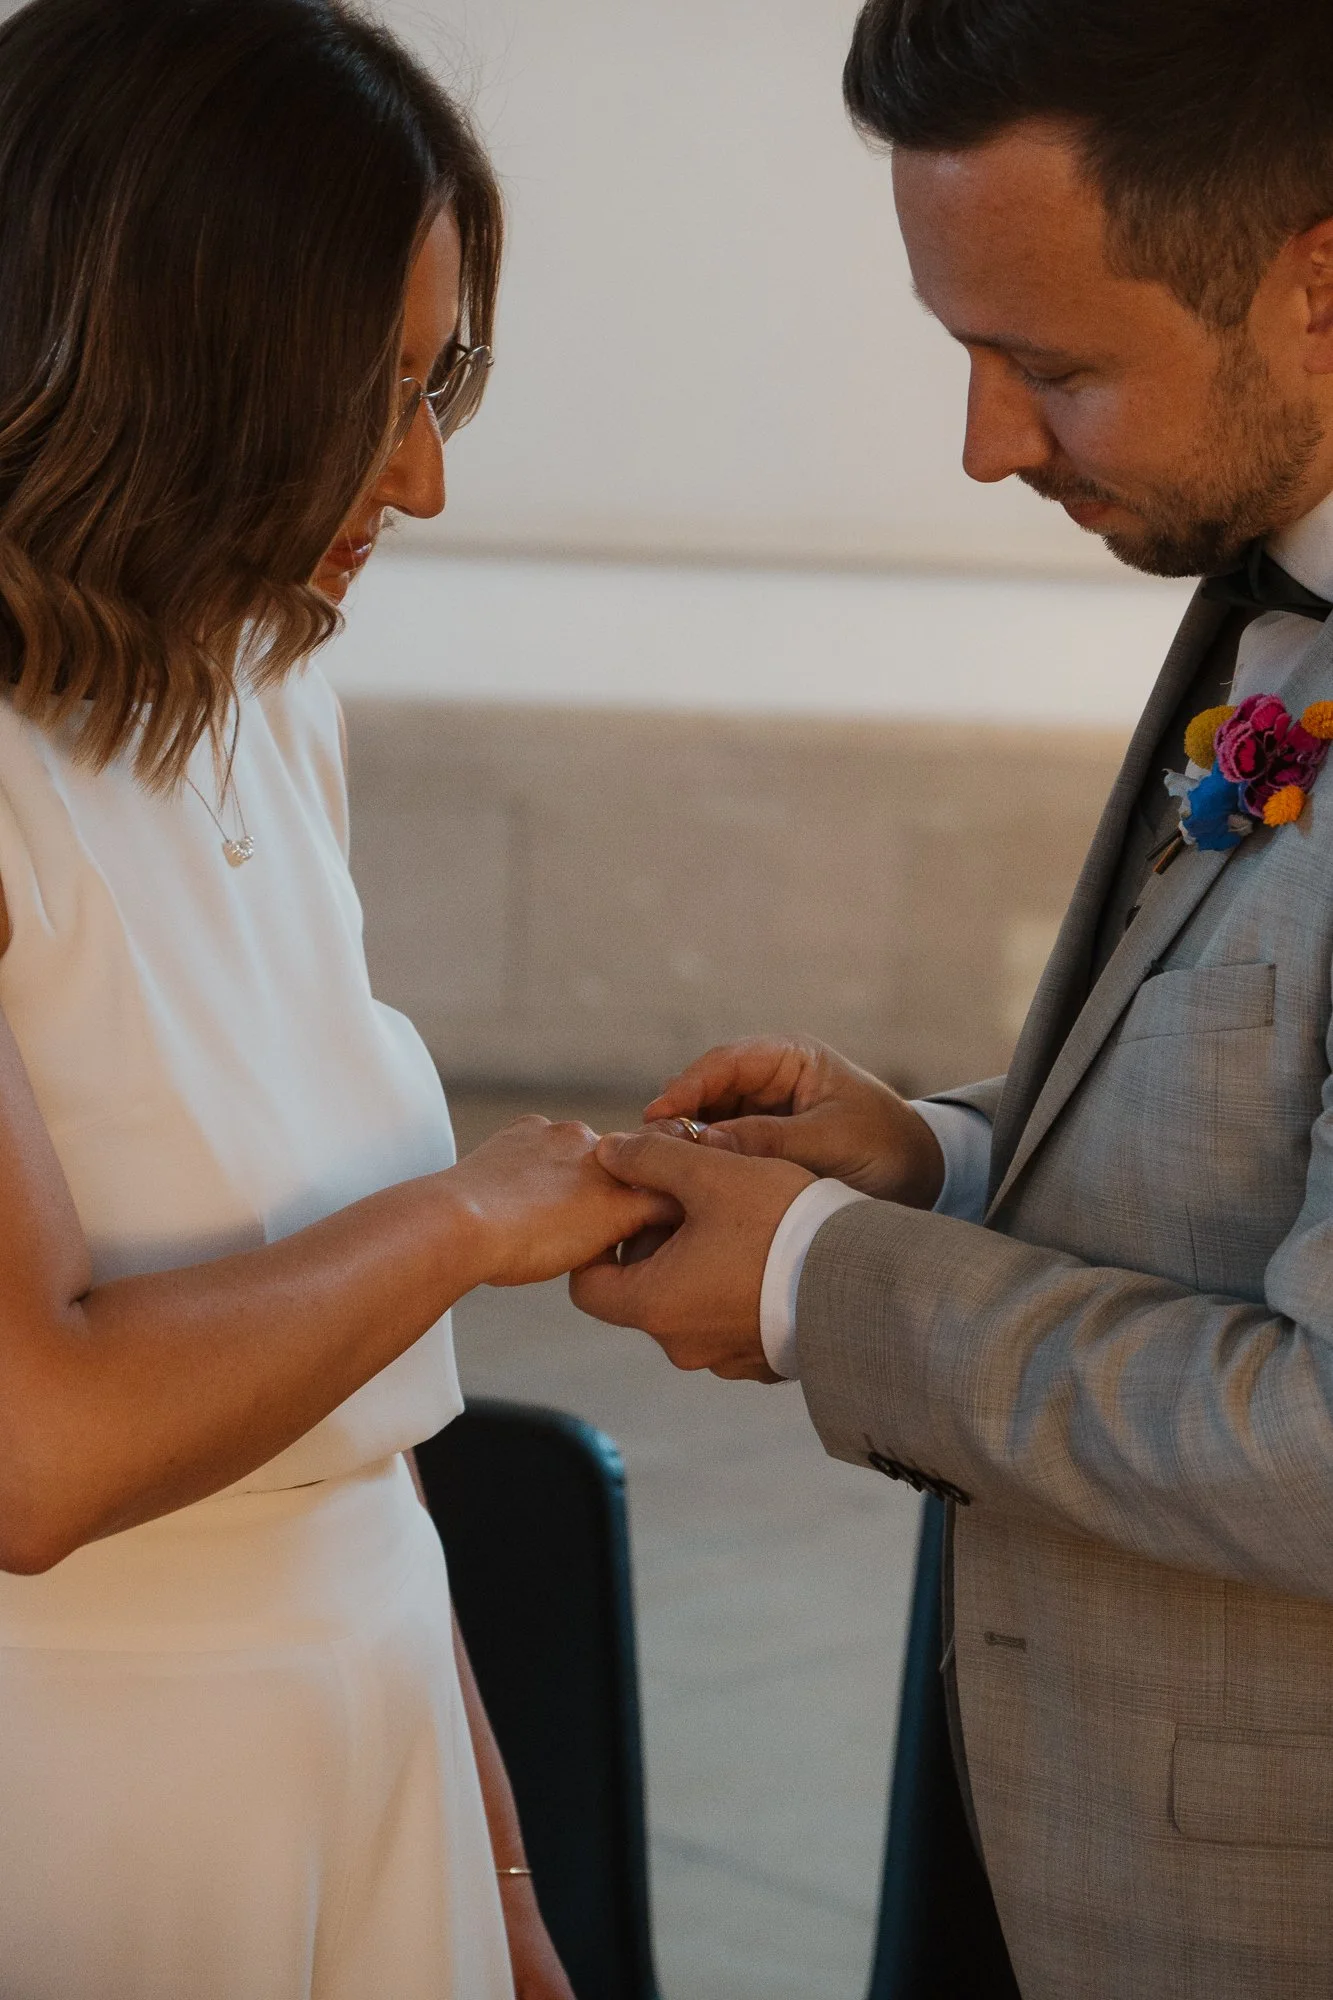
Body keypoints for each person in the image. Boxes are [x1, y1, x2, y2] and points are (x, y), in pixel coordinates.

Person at [573, 1, 1333, 1994]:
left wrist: (822, 1275)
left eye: (1050, 367)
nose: (986, 444)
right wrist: (944, 1150)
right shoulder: (1273, 582)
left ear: (1319, 286)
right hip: (1051, 1804)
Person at [0, 3, 678, 1995]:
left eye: (432, 382)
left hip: (380, 1728)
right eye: (369, 393)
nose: (428, 474)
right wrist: (470, 1216)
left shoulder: (265, 690)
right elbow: (35, 1452)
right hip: (106, 1803)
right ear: (166, 366)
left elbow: (352, 1441)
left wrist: (506, 1876)